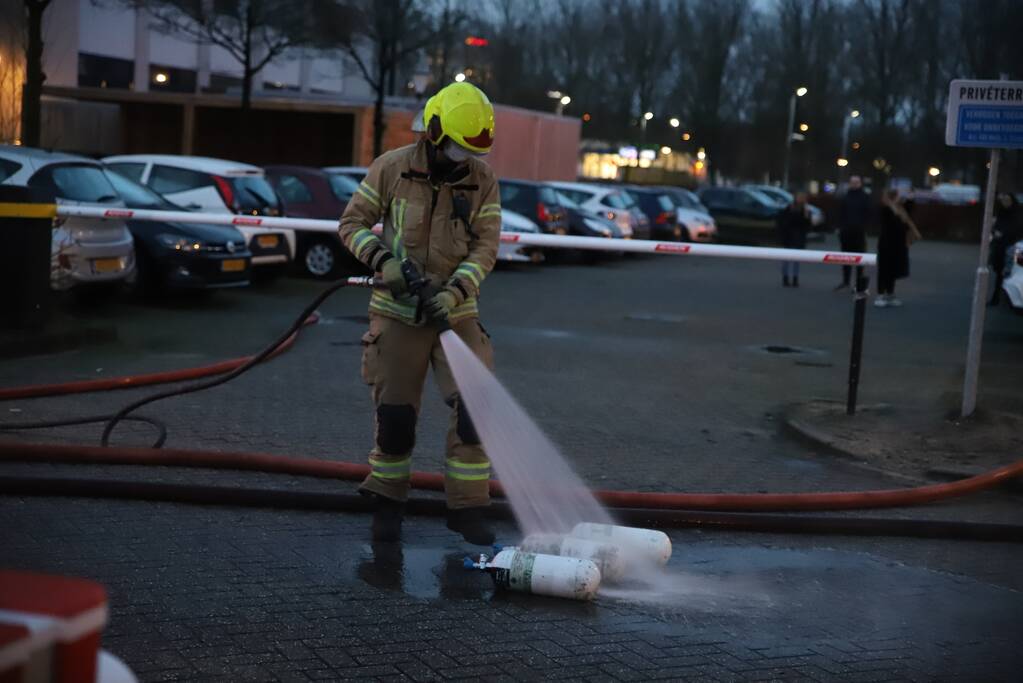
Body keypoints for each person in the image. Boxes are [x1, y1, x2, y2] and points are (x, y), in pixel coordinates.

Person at [338, 82, 502, 544]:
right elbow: (351, 223)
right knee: (395, 417)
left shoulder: (481, 178)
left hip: (457, 312)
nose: (460, 157)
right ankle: (388, 500)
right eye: (455, 145)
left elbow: (486, 246)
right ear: (431, 131)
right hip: (397, 312)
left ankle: (468, 509)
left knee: (476, 407)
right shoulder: (391, 169)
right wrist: (384, 262)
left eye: (469, 150)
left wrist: (453, 293)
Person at [874, 189, 922, 307]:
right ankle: (880, 294)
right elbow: (890, 221)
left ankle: (890, 294)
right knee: (884, 270)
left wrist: (910, 198)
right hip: (886, 244)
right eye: (898, 197)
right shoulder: (886, 209)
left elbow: (909, 208)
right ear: (893, 197)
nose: (900, 199)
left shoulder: (901, 209)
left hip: (898, 244)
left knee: (893, 270)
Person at [835, 175, 871, 290]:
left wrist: (863, 226)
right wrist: (840, 227)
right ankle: (845, 281)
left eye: (856, 182)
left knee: (859, 258)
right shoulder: (845, 197)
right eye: (852, 182)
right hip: (846, 232)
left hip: (859, 232)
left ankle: (858, 283)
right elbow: (840, 213)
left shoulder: (865, 197)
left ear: (860, 183)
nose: (854, 184)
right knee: (845, 257)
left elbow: (869, 213)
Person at [989, 192, 1021, 306]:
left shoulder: (1017, 214)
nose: (1005, 203)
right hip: (1000, 248)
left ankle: (1007, 298)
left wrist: (1003, 234)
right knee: (999, 274)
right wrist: (995, 232)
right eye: (1004, 200)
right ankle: (996, 298)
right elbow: (994, 226)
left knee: (1010, 274)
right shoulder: (1001, 213)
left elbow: (1017, 230)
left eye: (1007, 200)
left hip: (1011, 247)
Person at [776, 191, 811, 287]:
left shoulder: (806, 210)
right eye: (799, 197)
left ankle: (795, 278)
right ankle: (785, 277)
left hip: (799, 237)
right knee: (786, 259)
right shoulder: (789, 208)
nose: (800, 199)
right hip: (789, 236)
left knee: (796, 259)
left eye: (802, 197)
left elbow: (807, 226)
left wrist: (807, 217)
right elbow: (783, 222)